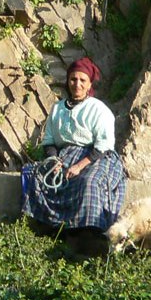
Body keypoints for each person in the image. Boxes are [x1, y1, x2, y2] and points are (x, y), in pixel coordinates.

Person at [22, 57, 127, 257]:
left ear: (89, 84)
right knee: (35, 176)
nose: (77, 84)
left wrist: (79, 166)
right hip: (64, 156)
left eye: (82, 80)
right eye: (73, 79)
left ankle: (89, 238)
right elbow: (49, 140)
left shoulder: (99, 109)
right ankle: (52, 231)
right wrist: (54, 161)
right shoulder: (58, 109)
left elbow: (104, 144)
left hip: (96, 157)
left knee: (89, 182)